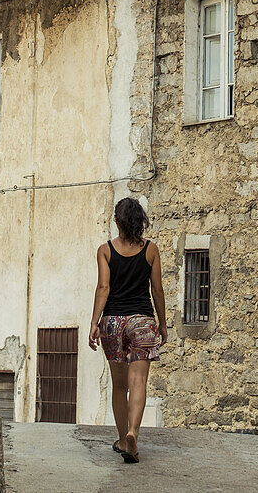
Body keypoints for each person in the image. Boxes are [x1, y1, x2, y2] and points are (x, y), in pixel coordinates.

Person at [89, 197, 167, 463]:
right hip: (142, 321)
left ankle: (123, 441)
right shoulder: (151, 250)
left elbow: (103, 288)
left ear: (117, 222)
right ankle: (134, 432)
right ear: (139, 221)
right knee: (139, 383)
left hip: (112, 322)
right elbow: (157, 290)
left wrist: (94, 323)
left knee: (119, 386)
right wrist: (163, 323)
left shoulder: (105, 250)